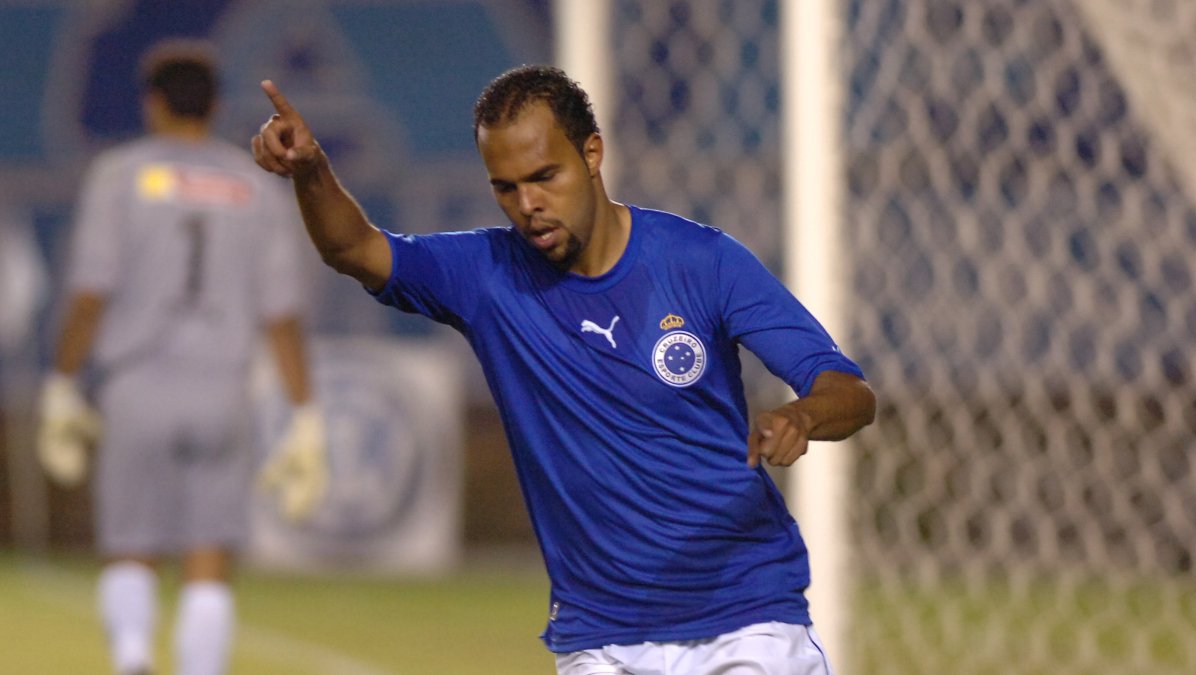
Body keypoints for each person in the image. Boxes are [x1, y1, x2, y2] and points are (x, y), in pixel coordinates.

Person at [252, 64, 876, 674]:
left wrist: (802, 414)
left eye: (544, 176)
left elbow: (846, 389)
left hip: (744, 619)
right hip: (599, 637)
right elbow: (352, 248)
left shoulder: (701, 262)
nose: (528, 205)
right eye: (505, 187)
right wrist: (311, 170)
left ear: (593, 153)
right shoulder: (486, 277)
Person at [37, 39, 328, 675]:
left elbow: (91, 293)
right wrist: (305, 414)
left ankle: (135, 657)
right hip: (220, 390)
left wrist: (61, 383)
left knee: (131, 545)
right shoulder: (254, 188)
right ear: (216, 105)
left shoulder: (121, 175)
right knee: (209, 556)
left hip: (137, 386)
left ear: (152, 105)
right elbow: (282, 314)